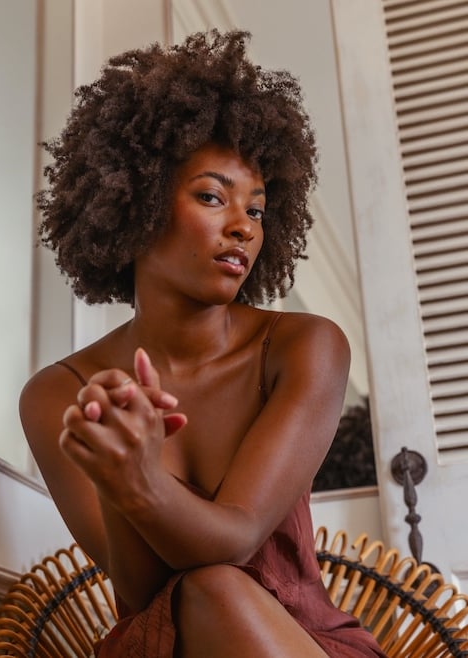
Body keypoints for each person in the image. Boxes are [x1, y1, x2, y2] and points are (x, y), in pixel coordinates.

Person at [20, 30, 387, 658]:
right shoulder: (61, 393)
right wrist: (117, 481)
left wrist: (139, 482)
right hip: (163, 646)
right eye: (213, 197)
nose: (244, 226)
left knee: (216, 587)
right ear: (132, 200)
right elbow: (140, 593)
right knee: (200, 597)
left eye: (259, 209)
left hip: (302, 643)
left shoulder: (305, 348)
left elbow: (235, 542)